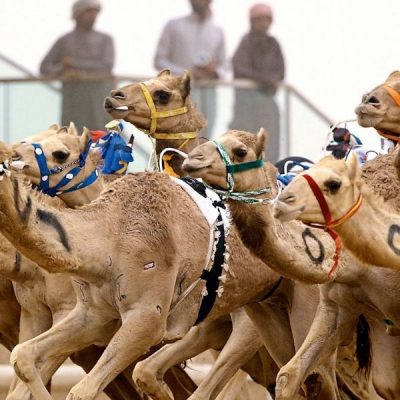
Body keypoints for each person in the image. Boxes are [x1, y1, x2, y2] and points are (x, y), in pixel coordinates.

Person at [154, 0, 227, 139]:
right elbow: (159, 60)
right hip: (177, 96)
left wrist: (214, 70)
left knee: (203, 141)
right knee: (175, 141)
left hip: (207, 96)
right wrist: (188, 74)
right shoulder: (174, 26)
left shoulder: (217, 31)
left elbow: (224, 67)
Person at [40, 0, 115, 131]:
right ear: (78, 15)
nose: (93, 16)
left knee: (101, 139)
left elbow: (106, 66)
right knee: (72, 138)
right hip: (73, 101)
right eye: (88, 12)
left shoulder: (105, 39)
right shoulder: (64, 41)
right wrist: (62, 69)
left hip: (99, 100)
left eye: (95, 12)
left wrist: (74, 64)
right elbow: (45, 67)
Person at [230, 3, 285, 164]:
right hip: (246, 107)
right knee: (245, 146)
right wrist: (262, 79)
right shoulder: (246, 42)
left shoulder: (273, 44)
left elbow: (280, 72)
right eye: (259, 19)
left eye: (266, 19)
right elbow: (239, 68)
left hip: (267, 106)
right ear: (252, 21)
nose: (263, 23)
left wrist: (269, 80)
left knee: (270, 145)